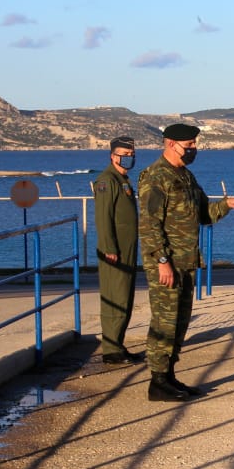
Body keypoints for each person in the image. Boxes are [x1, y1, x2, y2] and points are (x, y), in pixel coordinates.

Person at [138, 123, 234, 402]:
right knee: (165, 321)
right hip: (167, 262)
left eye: (196, 144)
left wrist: (227, 205)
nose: (194, 149)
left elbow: (203, 213)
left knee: (180, 321)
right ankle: (158, 381)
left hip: (186, 261)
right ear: (171, 144)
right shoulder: (155, 177)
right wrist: (162, 261)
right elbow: (149, 225)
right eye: (190, 145)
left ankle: (169, 375)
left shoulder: (186, 176)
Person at [94, 136, 141, 363]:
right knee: (115, 296)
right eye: (124, 153)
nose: (128, 157)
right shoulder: (107, 180)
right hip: (115, 250)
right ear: (113, 155)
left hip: (127, 247)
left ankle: (118, 344)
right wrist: (109, 247)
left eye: (131, 154)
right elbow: (103, 218)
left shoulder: (123, 179)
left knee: (125, 297)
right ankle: (111, 350)